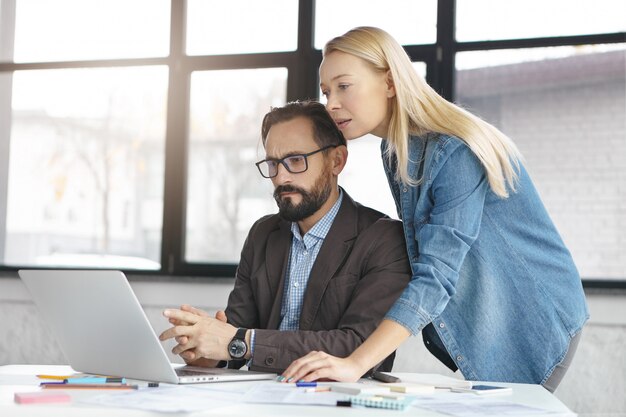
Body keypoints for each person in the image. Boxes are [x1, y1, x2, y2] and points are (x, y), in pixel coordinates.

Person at [281, 27, 589, 392]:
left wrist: (355, 362)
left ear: (390, 82)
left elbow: (437, 274)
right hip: (492, 317)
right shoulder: (395, 151)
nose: (331, 103)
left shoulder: (454, 152)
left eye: (344, 86)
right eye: (327, 91)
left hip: (533, 315)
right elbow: (419, 250)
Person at [159, 100, 411, 374]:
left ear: (336, 160)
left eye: (295, 160)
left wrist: (244, 341)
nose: (280, 177)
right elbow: (234, 339)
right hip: (261, 399)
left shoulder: (384, 239)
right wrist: (205, 346)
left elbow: (359, 346)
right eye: (273, 163)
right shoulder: (262, 234)